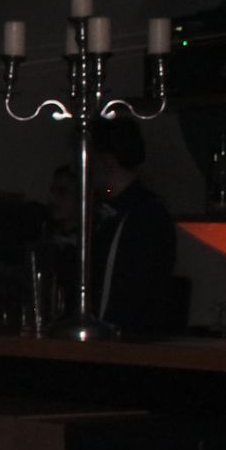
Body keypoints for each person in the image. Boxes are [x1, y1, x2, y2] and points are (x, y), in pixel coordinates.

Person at [91, 118, 179, 337]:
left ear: (106, 161)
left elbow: (130, 291)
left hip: (126, 342)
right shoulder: (109, 211)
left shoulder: (144, 215)